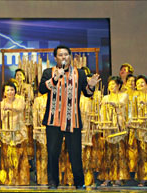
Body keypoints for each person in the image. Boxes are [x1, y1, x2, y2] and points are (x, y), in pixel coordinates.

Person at [38, 45, 100, 189]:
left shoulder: (80, 73)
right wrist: (54, 79)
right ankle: (53, 182)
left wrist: (90, 86)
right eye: (60, 55)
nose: (64, 57)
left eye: (66, 54)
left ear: (70, 57)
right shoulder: (48, 72)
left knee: (75, 154)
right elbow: (41, 89)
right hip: (53, 120)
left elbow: (88, 93)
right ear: (55, 58)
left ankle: (79, 183)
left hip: (73, 119)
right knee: (53, 153)